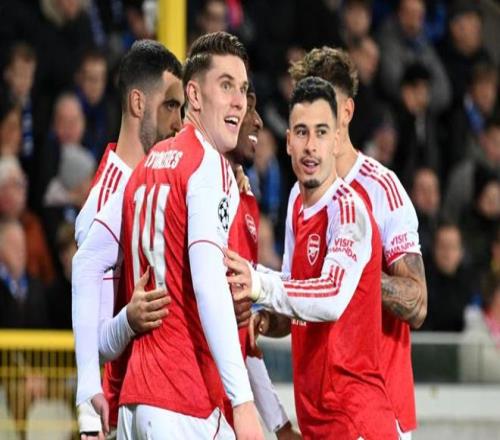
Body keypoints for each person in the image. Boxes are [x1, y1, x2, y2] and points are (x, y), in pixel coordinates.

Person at [253, 47, 427, 438]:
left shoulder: (381, 189)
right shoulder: (299, 196)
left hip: (376, 408)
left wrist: (354, 277)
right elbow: (298, 301)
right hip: (320, 411)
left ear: (344, 112)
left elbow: (418, 303)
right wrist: (265, 318)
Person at [226, 76, 398, 439]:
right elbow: (295, 293)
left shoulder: (349, 213)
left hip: (357, 422)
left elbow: (330, 297)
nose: (311, 147)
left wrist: (258, 284)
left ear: (336, 140)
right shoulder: (295, 201)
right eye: (302, 133)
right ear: (288, 141)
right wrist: (265, 317)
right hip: (317, 419)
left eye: (321, 132)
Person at [110, 31, 263, 439]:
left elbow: (124, 297)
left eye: (243, 89)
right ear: (193, 95)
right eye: (226, 86)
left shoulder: (144, 170)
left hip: (135, 402)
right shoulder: (208, 166)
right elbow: (208, 282)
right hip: (183, 400)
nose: (239, 101)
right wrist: (243, 401)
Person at [72, 39, 184, 438]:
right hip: (126, 414)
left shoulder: (162, 179)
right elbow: (99, 341)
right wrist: (130, 320)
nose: (179, 123)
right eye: (170, 106)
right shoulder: (107, 200)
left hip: (173, 397)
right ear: (138, 103)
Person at [227, 84, 300, 438]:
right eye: (248, 110)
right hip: (186, 402)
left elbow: (242, 331)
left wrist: (279, 424)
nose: (257, 121)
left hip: (220, 408)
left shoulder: (245, 202)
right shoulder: (203, 192)